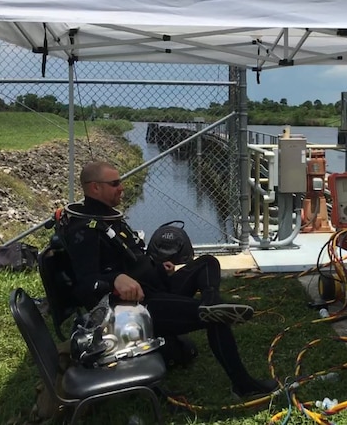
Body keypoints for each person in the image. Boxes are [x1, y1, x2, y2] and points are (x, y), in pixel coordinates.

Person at [63, 161, 275, 398]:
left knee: (207, 262)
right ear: (94, 189)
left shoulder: (108, 218)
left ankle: (210, 300)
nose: (121, 187)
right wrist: (115, 280)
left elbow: (131, 257)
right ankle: (243, 385)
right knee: (217, 317)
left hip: (159, 283)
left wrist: (158, 267)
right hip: (141, 305)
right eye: (115, 183)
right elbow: (83, 286)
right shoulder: (85, 230)